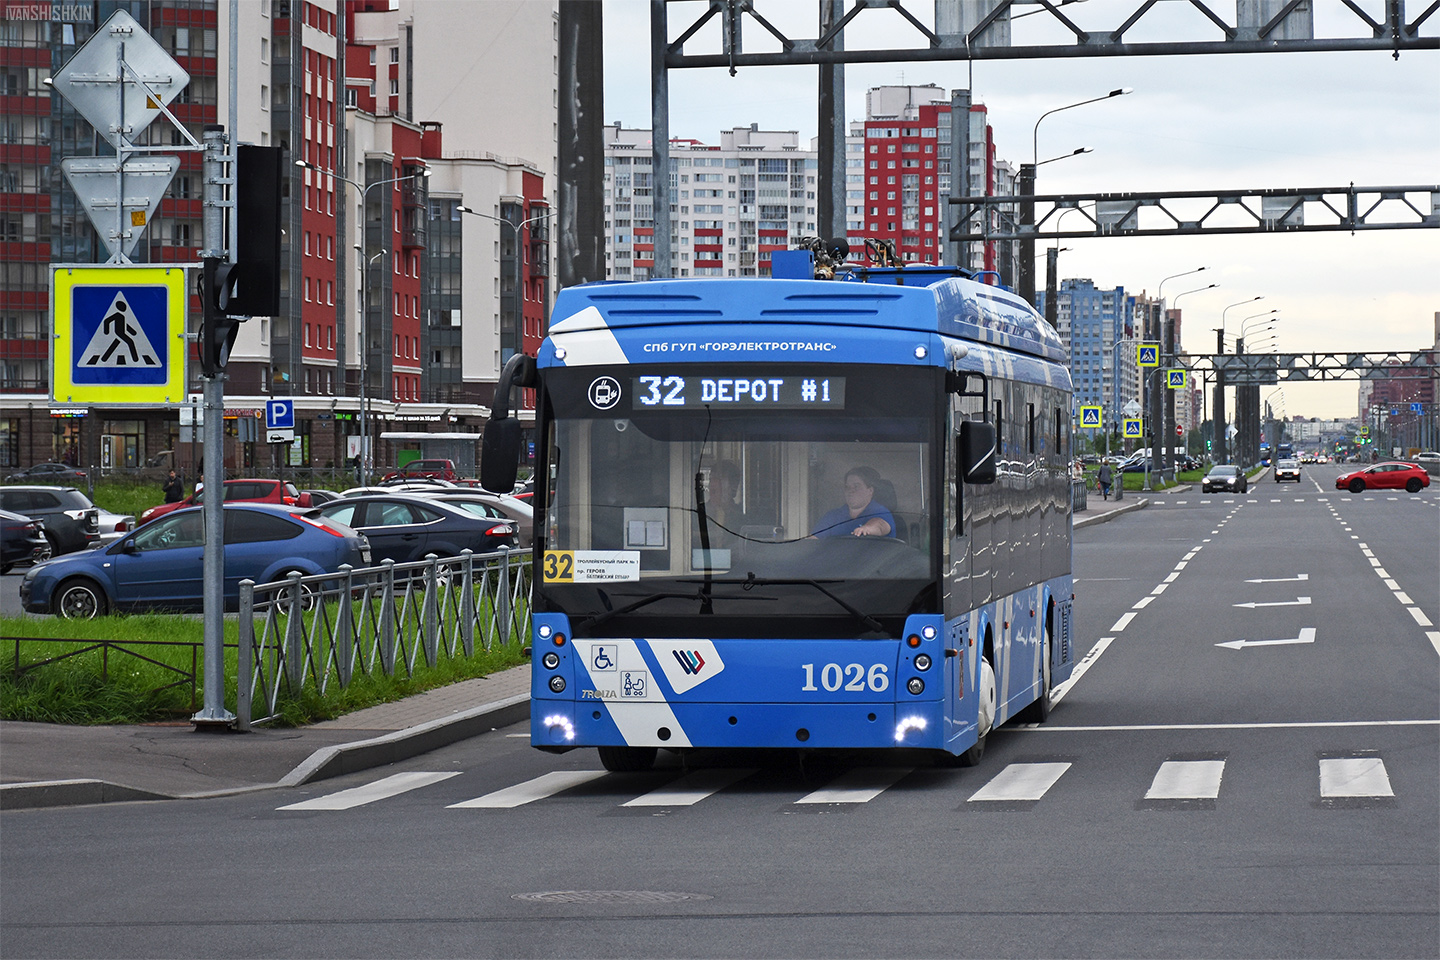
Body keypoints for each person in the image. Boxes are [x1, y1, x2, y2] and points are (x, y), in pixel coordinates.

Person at [811, 466, 895, 538]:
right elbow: (814, 540)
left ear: (870, 491)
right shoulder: (833, 516)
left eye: (856, 486)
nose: (850, 491)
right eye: (847, 487)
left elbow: (879, 525)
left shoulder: (880, 512)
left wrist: (866, 529)